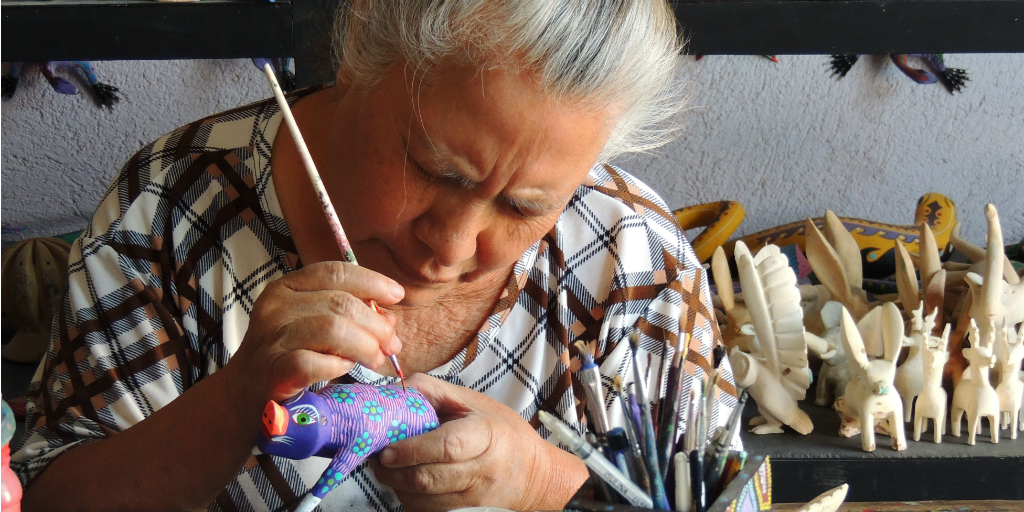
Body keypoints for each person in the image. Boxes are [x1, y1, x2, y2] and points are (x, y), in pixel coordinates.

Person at [12, 1, 740, 511]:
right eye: (435, 169)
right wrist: (233, 404)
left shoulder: (633, 261)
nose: (452, 248)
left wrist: (546, 486)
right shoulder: (171, 210)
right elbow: (50, 498)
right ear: (363, 44)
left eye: (523, 207)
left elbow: (721, 498)